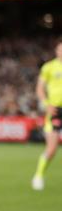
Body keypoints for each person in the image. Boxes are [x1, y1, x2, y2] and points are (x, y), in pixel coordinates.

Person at [31, 39, 62, 191]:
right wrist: (46, 105)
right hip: (55, 111)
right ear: (56, 51)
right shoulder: (49, 67)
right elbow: (39, 89)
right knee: (52, 149)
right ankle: (38, 175)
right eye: (60, 49)